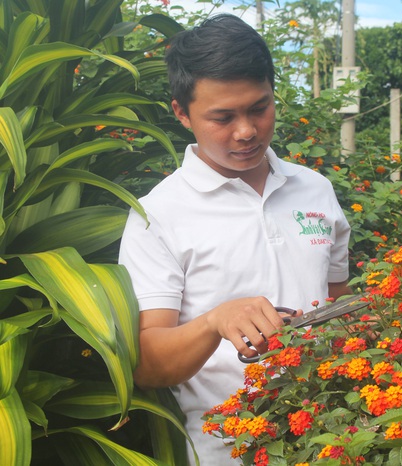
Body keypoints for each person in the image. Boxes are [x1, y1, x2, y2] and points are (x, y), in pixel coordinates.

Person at [118, 13, 352, 465]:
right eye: (222, 117)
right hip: (227, 451)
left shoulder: (316, 189)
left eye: (259, 108)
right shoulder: (158, 215)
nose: (246, 131)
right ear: (181, 113)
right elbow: (148, 365)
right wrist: (214, 322)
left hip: (333, 440)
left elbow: (337, 304)